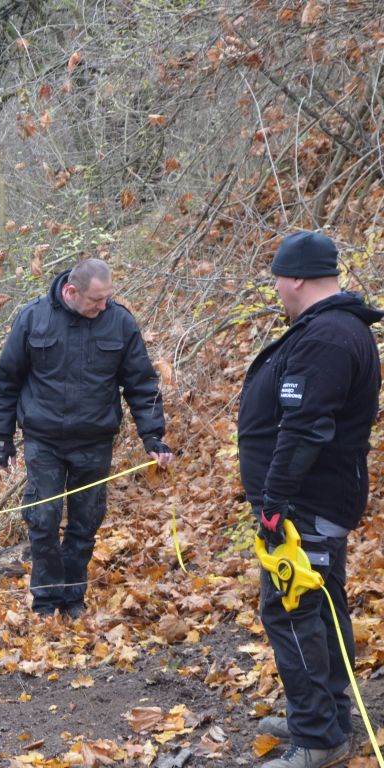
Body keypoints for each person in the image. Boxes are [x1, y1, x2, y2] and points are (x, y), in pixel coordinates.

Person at [238, 231, 381, 768]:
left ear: (295, 277)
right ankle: (321, 714)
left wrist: (274, 502)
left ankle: (319, 738)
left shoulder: (326, 339)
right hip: (312, 498)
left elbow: (304, 428)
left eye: (278, 277)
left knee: (292, 609)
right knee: (319, 605)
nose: (275, 287)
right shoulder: (330, 330)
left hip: (305, 503)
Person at [0, 258, 173, 618]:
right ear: (71, 292)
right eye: (96, 300)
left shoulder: (119, 322)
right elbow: (6, 381)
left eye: (107, 298)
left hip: (94, 441)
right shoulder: (33, 318)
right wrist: (3, 438)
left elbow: (141, 384)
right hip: (43, 441)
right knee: (42, 519)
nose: (103, 306)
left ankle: (73, 600)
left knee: (85, 523)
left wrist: (153, 437)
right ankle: (45, 602)